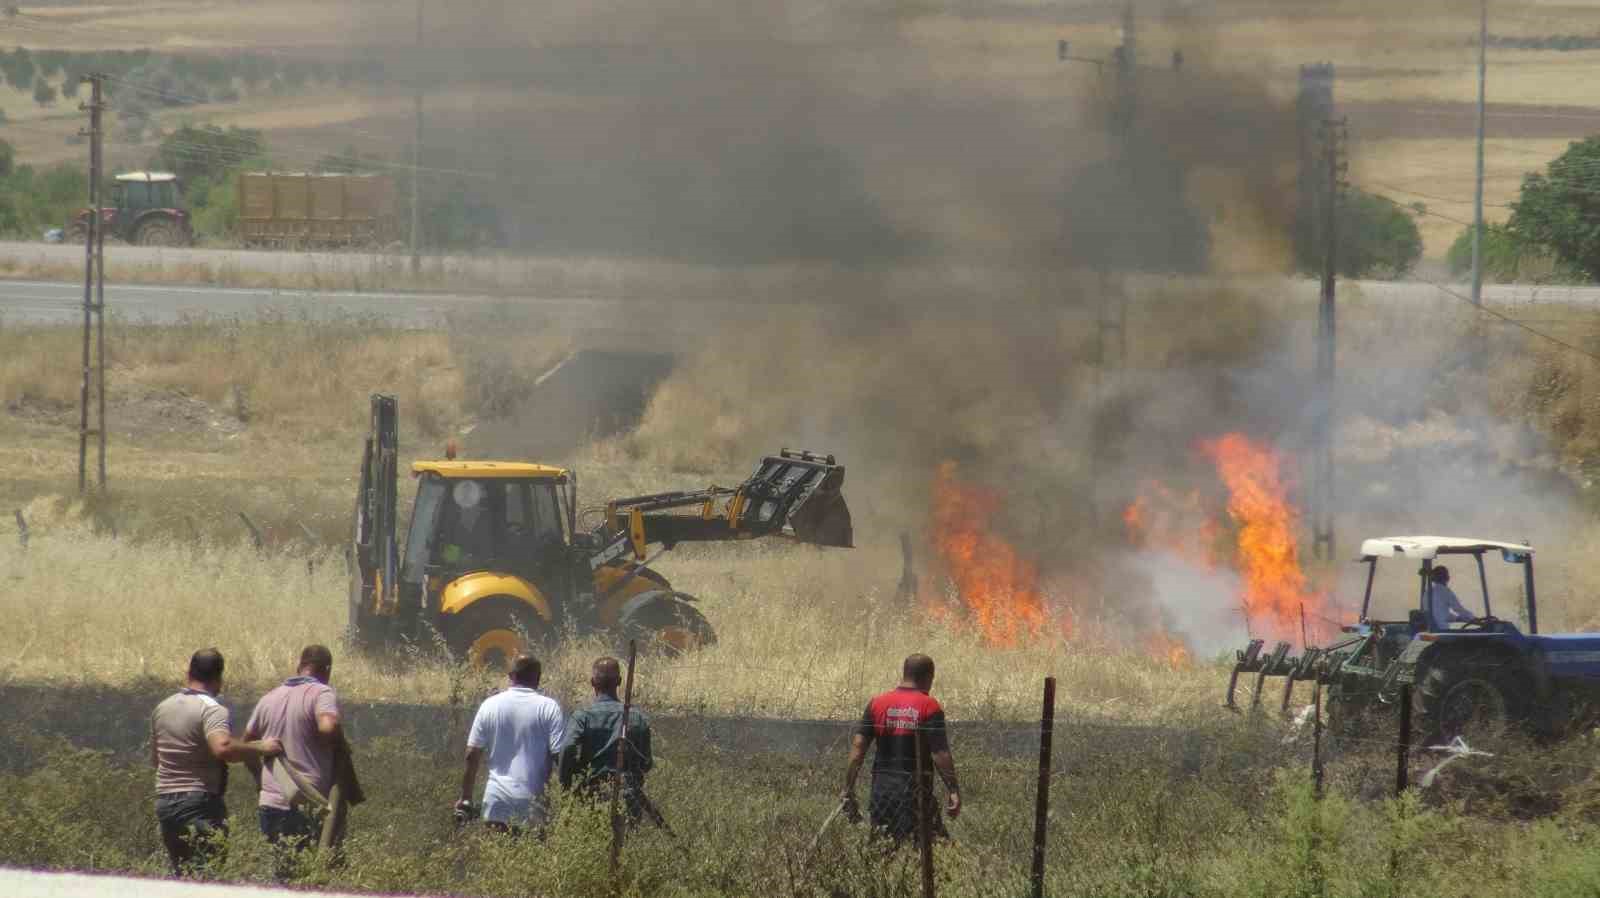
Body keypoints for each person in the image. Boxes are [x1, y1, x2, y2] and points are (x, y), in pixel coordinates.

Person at [150, 648, 281, 876]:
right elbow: (223, 747)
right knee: (206, 874)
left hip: (165, 802)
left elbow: (156, 759)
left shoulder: (163, 707)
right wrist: (262, 747)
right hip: (199, 802)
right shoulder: (212, 709)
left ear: (188, 672)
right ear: (219, 678)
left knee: (183, 876)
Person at [842, 653, 961, 844]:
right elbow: (940, 753)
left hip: (882, 791)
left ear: (904, 673)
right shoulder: (929, 706)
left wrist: (848, 789)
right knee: (934, 847)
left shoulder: (877, 703)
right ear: (929, 677)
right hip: (916, 790)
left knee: (883, 847)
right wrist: (953, 789)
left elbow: (857, 749)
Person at [244, 645, 344, 850]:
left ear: (299, 666)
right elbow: (327, 728)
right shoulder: (322, 693)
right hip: (305, 802)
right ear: (327, 670)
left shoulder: (269, 698)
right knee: (304, 875)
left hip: (270, 803)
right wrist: (335, 739)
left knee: (280, 872)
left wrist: (259, 779)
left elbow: (246, 745)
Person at [458, 654, 567, 833]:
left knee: (496, 859)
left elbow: (471, 754)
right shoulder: (549, 707)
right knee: (531, 859)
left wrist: (466, 797)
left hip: (495, 803)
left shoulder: (489, 705)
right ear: (538, 678)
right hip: (533, 804)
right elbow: (559, 756)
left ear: (511, 676)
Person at [558, 656, 653, 823]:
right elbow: (646, 762)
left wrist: (566, 785)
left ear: (592, 682)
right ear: (619, 681)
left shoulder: (583, 716)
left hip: (594, 795)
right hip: (629, 796)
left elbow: (567, 749)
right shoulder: (637, 718)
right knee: (627, 845)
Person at [1426, 565, 1476, 631]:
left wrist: (1457, 618)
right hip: (1443, 628)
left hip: (1434, 626)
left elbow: (1440, 613)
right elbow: (1458, 609)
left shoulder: (1427, 592)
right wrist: (1473, 618)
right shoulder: (1445, 591)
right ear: (1447, 578)